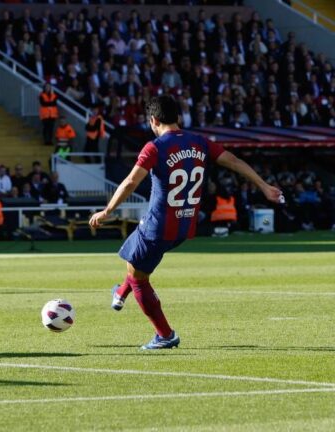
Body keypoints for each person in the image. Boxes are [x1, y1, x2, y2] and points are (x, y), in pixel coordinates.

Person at [89, 96, 282, 350]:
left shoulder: (154, 147)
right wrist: (265, 186)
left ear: (153, 120)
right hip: (185, 225)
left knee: (138, 276)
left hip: (158, 224)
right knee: (134, 260)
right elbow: (234, 162)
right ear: (178, 117)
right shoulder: (200, 143)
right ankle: (120, 292)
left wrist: (107, 210)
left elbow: (130, 182)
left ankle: (165, 335)